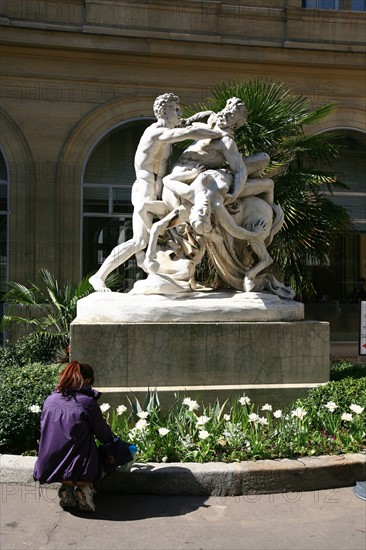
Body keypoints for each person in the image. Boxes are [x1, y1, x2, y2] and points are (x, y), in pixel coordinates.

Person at [89, 92, 222, 292]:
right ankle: (99, 277)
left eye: (179, 109)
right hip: (145, 188)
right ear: (162, 112)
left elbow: (191, 124)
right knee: (139, 241)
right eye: (174, 110)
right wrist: (219, 133)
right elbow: (187, 133)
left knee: (182, 219)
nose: (179, 113)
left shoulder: (168, 133)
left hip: (157, 190)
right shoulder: (156, 132)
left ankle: (177, 272)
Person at [33, 361, 113, 512]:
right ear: (87, 380)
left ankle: (67, 490)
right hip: (81, 470)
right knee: (111, 452)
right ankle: (84, 489)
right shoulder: (86, 402)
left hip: (49, 468)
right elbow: (104, 435)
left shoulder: (50, 400)